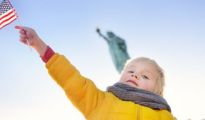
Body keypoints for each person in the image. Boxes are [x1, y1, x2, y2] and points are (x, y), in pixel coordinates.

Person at [15, 26, 175, 120]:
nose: (134, 75)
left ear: (157, 91)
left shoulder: (164, 116)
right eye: (131, 70)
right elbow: (72, 79)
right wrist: (40, 47)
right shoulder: (100, 101)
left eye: (145, 76)